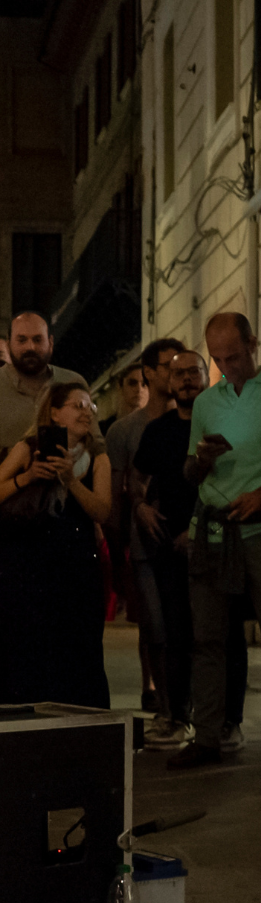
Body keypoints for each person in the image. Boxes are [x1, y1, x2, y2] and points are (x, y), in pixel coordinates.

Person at [0, 381, 111, 708]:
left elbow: (102, 511)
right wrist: (29, 476)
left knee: (79, 651)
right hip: (31, 566)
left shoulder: (97, 457)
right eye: (77, 406)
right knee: (33, 650)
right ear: (54, 412)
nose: (86, 412)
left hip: (77, 566)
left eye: (90, 406)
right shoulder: (29, 447)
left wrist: (70, 480)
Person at [169, 312, 261, 768]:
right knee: (207, 637)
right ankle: (206, 735)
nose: (228, 366)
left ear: (253, 345)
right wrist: (201, 458)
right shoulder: (207, 403)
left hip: (257, 531)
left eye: (235, 356)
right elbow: (189, 472)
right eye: (219, 359)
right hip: (213, 527)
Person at [134, 350, 213, 751]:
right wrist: (141, 505)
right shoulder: (158, 430)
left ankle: (219, 720)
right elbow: (138, 477)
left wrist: (195, 530)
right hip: (168, 547)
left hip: (214, 542)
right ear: (167, 379)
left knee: (216, 635)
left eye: (193, 372)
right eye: (178, 373)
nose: (186, 379)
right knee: (175, 634)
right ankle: (178, 716)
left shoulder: (216, 423)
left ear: (205, 375)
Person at [105, 338, 187, 720]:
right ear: (149, 373)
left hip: (187, 539)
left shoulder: (193, 418)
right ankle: (163, 703)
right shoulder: (125, 430)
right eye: (169, 365)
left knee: (186, 627)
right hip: (144, 544)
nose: (177, 373)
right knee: (155, 626)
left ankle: (185, 707)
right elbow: (120, 489)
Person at [0, 312, 87, 485]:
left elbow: (97, 448)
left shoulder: (73, 382)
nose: (30, 347)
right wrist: (6, 455)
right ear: (10, 345)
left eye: (38, 340)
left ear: (50, 343)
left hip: (66, 497)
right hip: (4, 501)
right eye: (22, 340)